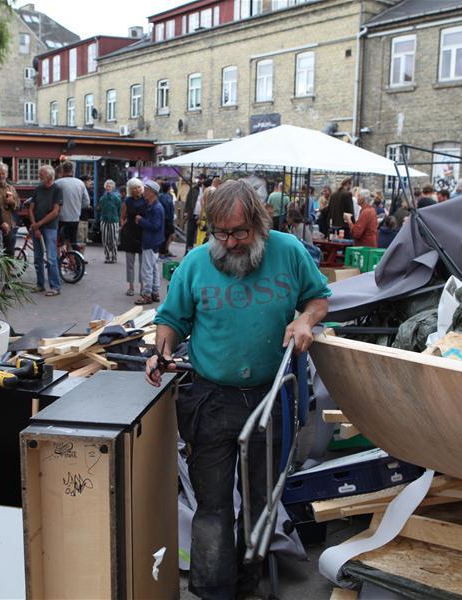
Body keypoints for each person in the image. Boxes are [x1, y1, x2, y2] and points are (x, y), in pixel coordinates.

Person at [147, 179, 330, 599]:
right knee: (212, 506)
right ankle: (213, 590)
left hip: (272, 398)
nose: (229, 242)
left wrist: (306, 320)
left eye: (239, 233)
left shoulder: (288, 252)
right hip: (212, 399)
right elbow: (171, 319)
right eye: (220, 233)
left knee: (260, 501)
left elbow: (319, 298)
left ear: (260, 225)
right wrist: (162, 351)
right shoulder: (195, 263)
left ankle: (248, 584)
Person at [26, 164, 63, 296]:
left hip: (50, 227)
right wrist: (34, 224)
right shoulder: (38, 189)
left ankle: (55, 286)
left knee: (51, 257)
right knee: (37, 257)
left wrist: (38, 224)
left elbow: (55, 212)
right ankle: (40, 284)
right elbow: (31, 208)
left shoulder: (57, 189)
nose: (39, 176)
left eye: (41, 174)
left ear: (48, 176)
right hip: (37, 226)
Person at [134, 180, 165, 305]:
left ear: (153, 192)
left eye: (146, 190)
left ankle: (147, 294)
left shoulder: (156, 208)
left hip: (150, 241)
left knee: (147, 268)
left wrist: (141, 220)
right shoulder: (154, 205)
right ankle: (155, 291)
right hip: (155, 241)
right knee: (153, 268)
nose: (144, 192)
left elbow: (155, 226)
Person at [54, 161, 89, 253]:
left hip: (61, 218)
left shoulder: (57, 183)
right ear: (72, 171)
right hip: (75, 217)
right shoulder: (80, 183)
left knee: (57, 241)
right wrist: (77, 206)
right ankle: (76, 261)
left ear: (63, 170)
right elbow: (86, 202)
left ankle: (57, 262)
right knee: (73, 241)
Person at [119, 178, 145, 296]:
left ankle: (143, 286)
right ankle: (131, 287)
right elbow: (122, 216)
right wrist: (123, 226)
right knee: (130, 263)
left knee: (142, 263)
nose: (137, 190)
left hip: (143, 233)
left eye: (139, 187)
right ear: (130, 190)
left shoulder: (146, 200)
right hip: (129, 234)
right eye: (134, 188)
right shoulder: (127, 201)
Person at [0, 163, 20, 257]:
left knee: (9, 254)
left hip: (10, 226)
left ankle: (8, 272)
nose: (1, 176)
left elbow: (18, 205)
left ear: (6, 174)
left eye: (3, 173)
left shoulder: (11, 188)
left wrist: (13, 202)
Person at [98, 180, 121, 264]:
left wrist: (119, 221)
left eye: (110, 186)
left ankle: (114, 257)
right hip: (104, 221)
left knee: (114, 240)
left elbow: (119, 210)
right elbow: (101, 209)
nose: (108, 187)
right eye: (107, 186)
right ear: (105, 187)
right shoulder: (102, 198)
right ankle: (107, 256)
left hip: (114, 221)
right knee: (105, 240)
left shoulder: (117, 198)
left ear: (113, 188)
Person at [158, 181, 176, 258]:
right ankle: (163, 251)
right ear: (169, 188)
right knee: (169, 236)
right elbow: (170, 209)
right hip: (168, 219)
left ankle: (164, 251)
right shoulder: (169, 197)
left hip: (163, 218)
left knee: (166, 235)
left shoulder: (160, 196)